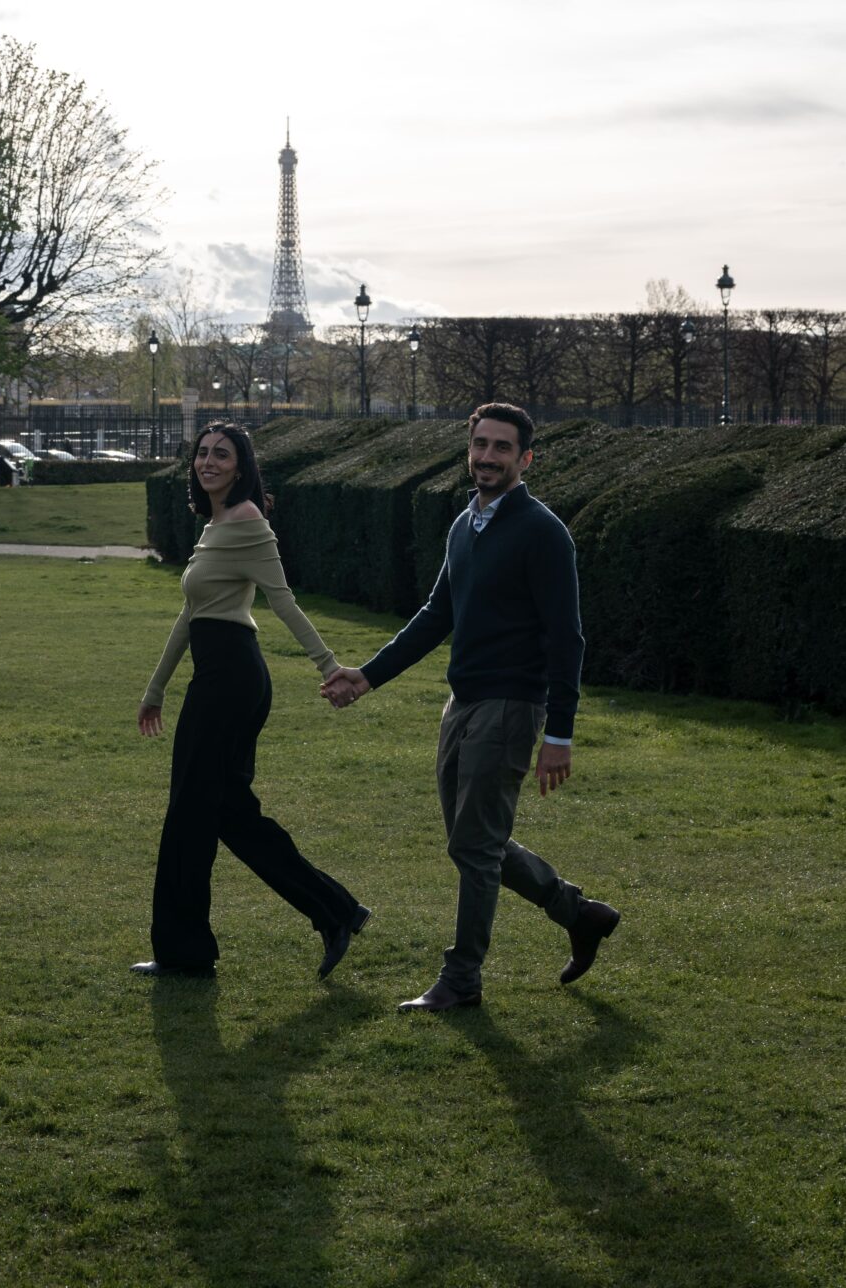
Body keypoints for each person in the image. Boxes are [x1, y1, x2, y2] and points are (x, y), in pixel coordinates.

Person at [322, 402, 619, 1013]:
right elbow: (438, 616)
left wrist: (559, 732)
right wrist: (366, 677)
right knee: (472, 842)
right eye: (479, 444)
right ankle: (578, 913)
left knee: (477, 847)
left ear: (525, 458)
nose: (487, 456)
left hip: (511, 707)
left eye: (501, 447)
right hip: (463, 704)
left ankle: (462, 981)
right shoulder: (467, 523)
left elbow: (568, 638)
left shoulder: (542, 531)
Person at [134, 421, 370, 980]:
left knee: (190, 815)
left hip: (232, 681)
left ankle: (185, 954)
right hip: (216, 673)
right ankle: (337, 911)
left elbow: (283, 601)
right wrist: (155, 688)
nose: (208, 462)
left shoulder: (246, 522)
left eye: (222, 455)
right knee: (229, 814)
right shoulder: (215, 524)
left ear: (241, 468)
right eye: (202, 453)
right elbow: (191, 615)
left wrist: (330, 666)